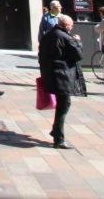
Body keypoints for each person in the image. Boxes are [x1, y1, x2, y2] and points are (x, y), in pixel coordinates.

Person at [38, 14, 86, 149]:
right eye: (71, 26)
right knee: (64, 105)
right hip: (62, 76)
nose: (72, 28)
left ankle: (56, 131)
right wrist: (78, 42)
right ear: (67, 25)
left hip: (51, 74)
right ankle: (58, 138)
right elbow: (79, 55)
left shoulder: (48, 35)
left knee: (62, 104)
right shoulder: (66, 37)